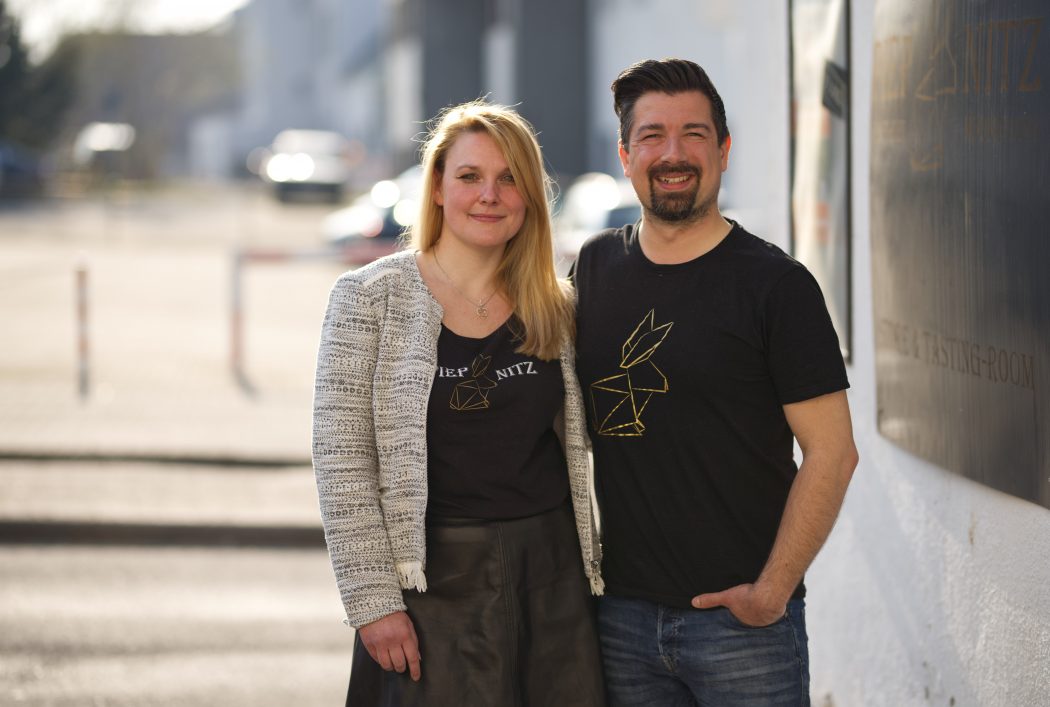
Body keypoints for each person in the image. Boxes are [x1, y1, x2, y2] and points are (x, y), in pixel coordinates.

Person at [570, 58, 859, 706]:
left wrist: (773, 590)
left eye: (694, 134)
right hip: (622, 621)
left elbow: (833, 452)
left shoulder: (776, 287)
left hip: (743, 627)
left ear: (724, 150)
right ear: (625, 154)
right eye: (652, 136)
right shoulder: (593, 268)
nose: (673, 154)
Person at [312, 100, 606, 706]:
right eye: (470, 176)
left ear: (529, 196)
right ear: (439, 188)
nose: (489, 195)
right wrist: (373, 604)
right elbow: (343, 464)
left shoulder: (558, 306)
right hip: (429, 589)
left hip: (551, 581)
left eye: (509, 179)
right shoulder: (369, 299)